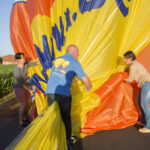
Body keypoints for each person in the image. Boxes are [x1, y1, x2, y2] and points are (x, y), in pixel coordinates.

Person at [46, 44, 92, 144]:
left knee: (53, 116)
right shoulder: (75, 62)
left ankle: (53, 141)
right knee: (66, 117)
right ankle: (67, 140)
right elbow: (84, 78)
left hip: (50, 92)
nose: (78, 55)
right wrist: (89, 87)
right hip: (63, 93)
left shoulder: (57, 59)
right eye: (78, 53)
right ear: (73, 52)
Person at [124, 51, 150, 133]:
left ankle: (149, 127)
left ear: (130, 58)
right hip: (144, 84)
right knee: (139, 102)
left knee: (144, 104)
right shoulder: (135, 63)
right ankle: (143, 121)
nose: (125, 60)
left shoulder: (133, 66)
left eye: (126, 59)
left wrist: (122, 78)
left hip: (147, 84)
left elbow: (130, 79)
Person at [13, 53, 39, 128]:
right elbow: (20, 83)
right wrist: (29, 91)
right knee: (23, 104)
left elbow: (33, 63)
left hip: (25, 86)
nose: (24, 59)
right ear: (18, 60)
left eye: (23, 57)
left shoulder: (26, 64)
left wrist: (41, 61)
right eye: (21, 58)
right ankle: (20, 122)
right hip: (18, 87)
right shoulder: (16, 70)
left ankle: (24, 117)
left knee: (29, 102)